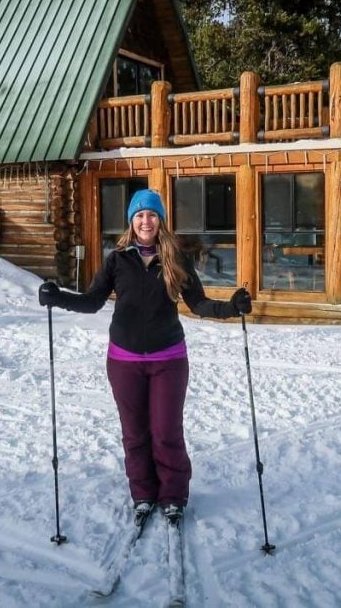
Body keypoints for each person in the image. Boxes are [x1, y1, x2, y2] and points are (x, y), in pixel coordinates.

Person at [38, 189, 251, 526]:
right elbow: (92, 301)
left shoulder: (176, 259)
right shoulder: (117, 259)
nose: (146, 220)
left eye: (151, 214)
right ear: (131, 221)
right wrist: (57, 297)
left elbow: (198, 304)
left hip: (169, 358)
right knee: (135, 433)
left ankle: (173, 496)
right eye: (139, 215)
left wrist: (232, 307)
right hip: (123, 360)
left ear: (160, 220)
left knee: (166, 431)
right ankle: (143, 494)